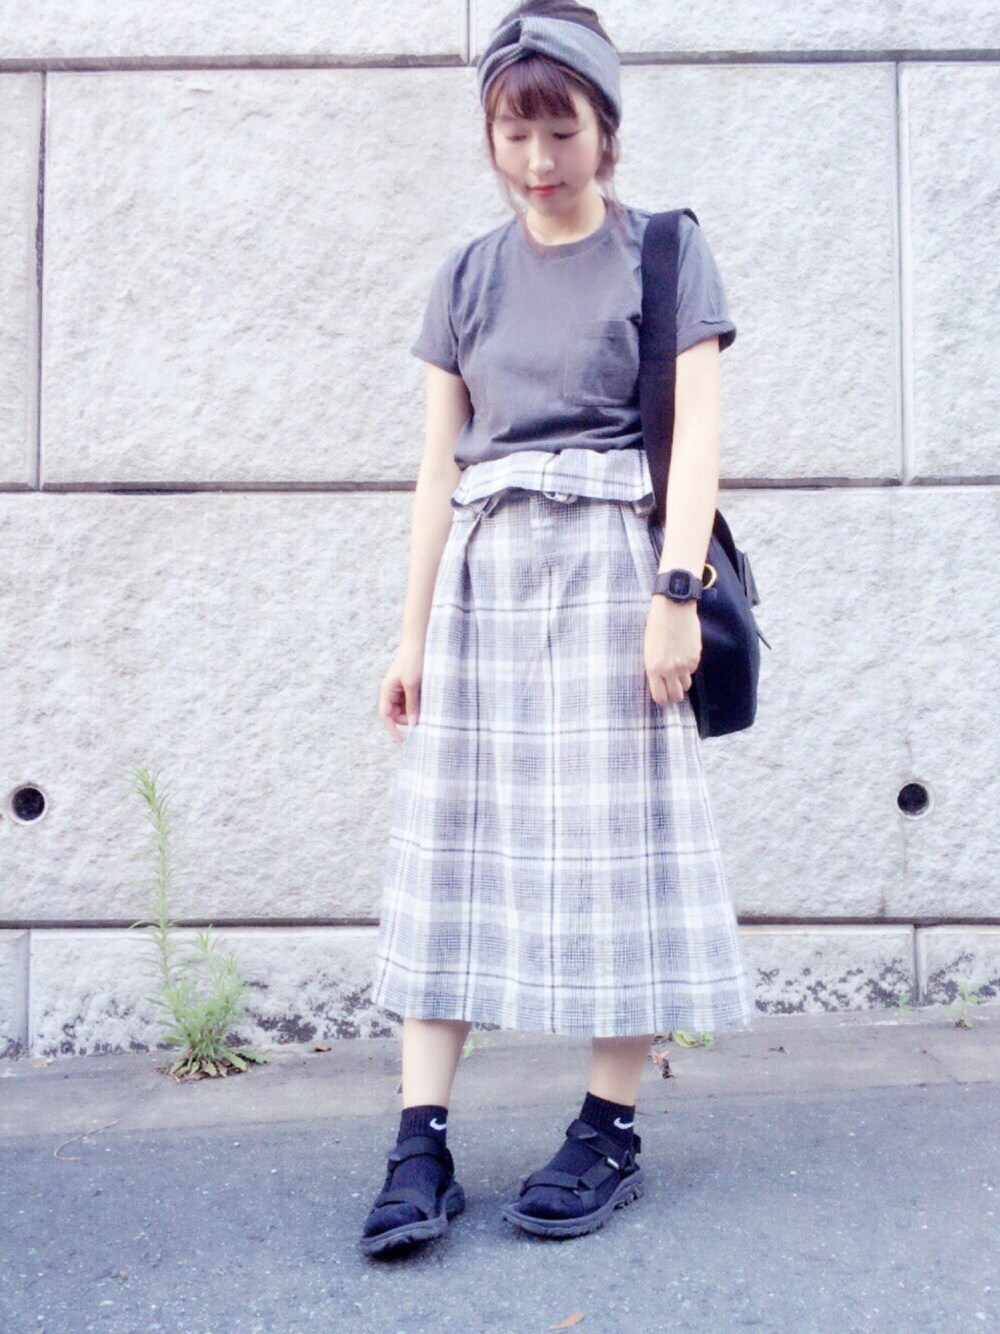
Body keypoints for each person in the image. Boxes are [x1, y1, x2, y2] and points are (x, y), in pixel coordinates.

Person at [360, 0, 754, 1257]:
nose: (537, 159)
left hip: (612, 573)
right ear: (489, 135)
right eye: (513, 132)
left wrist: (675, 594)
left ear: (605, 128)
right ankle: (418, 1140)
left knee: (614, 850)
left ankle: (606, 1130)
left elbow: (697, 440)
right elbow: (437, 470)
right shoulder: (465, 276)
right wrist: (410, 635)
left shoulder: (664, 254)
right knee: (451, 846)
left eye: (561, 130)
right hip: (484, 581)